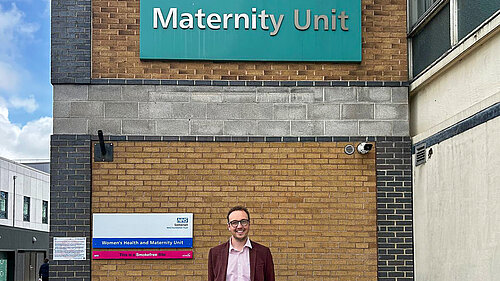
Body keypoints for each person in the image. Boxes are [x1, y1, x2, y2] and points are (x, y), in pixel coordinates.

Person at [208, 206, 275, 281]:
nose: (239, 226)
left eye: (243, 222)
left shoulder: (263, 253)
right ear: (229, 226)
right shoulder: (215, 253)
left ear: (249, 224)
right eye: (234, 223)